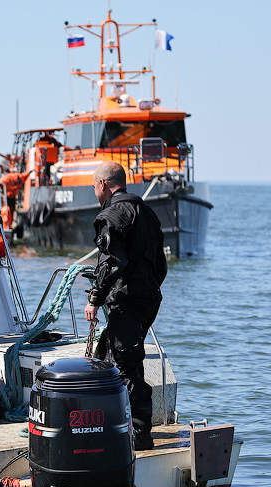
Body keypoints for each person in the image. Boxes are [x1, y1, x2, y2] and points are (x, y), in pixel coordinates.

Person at [84, 161, 168, 451]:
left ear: (103, 184)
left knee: (126, 368)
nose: (95, 192)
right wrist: (147, 290)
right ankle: (118, 425)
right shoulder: (147, 212)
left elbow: (111, 262)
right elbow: (160, 264)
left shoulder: (112, 215)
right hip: (148, 300)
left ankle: (141, 436)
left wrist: (95, 299)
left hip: (126, 302)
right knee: (119, 356)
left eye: (94, 187)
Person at [0, 164, 31, 230]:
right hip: (13, 198)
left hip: (6, 198)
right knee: (11, 212)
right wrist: (31, 171)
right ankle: (10, 225)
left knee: (5, 211)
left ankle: (5, 226)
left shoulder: (4, 178)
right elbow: (25, 175)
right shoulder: (17, 176)